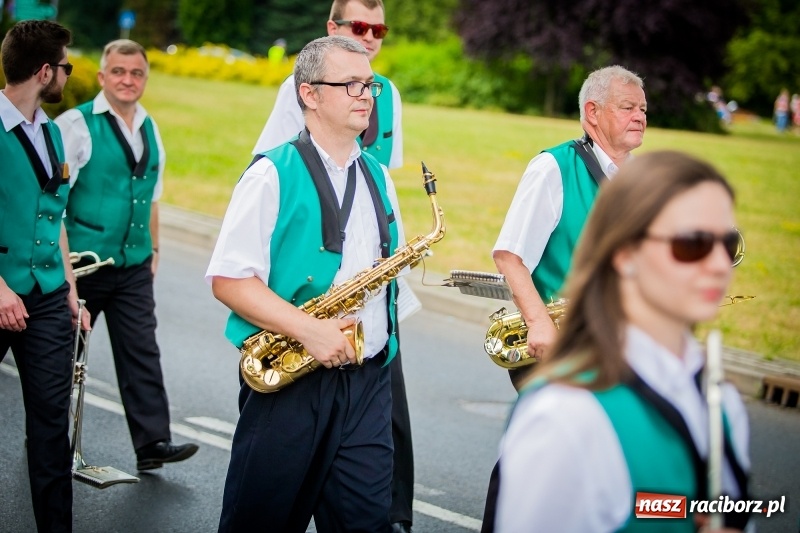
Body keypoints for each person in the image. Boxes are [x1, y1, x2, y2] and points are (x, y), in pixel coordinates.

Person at [488, 151, 752, 532]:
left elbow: (655, 506)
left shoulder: (722, 403)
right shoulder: (562, 413)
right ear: (626, 255)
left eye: (725, 242)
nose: (716, 265)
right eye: (691, 243)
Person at [208, 35, 406, 532]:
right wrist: (310, 330)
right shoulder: (270, 174)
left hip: (368, 384)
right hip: (291, 381)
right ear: (309, 94)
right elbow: (230, 280)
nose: (366, 95)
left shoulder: (380, 177)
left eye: (370, 85)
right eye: (350, 84)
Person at [54, 39, 198, 472]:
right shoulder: (75, 125)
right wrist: (63, 272)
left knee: (141, 350)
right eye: (118, 71)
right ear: (102, 76)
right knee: (63, 356)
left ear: (146, 79)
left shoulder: (150, 127)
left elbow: (152, 196)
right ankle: (49, 440)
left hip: (133, 265)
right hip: (83, 264)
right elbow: (52, 203)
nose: (127, 80)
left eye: (136, 73)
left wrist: (154, 250)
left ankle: (153, 442)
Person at [493, 65, 647, 389]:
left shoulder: (644, 178)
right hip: (564, 347)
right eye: (627, 107)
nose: (639, 117)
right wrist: (538, 322)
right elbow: (509, 256)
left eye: (643, 109)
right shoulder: (553, 168)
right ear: (592, 112)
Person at [0, 19, 89, 532]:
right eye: (64, 67)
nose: (65, 75)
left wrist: (70, 292)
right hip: (1, 290)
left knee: (52, 427)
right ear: (43, 71)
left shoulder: (53, 132)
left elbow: (54, 219)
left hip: (49, 298)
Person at [252, 0, 403, 171]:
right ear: (333, 29)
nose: (369, 37)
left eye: (378, 30)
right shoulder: (300, 86)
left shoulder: (390, 92)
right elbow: (272, 163)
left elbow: (387, 172)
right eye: (359, 27)